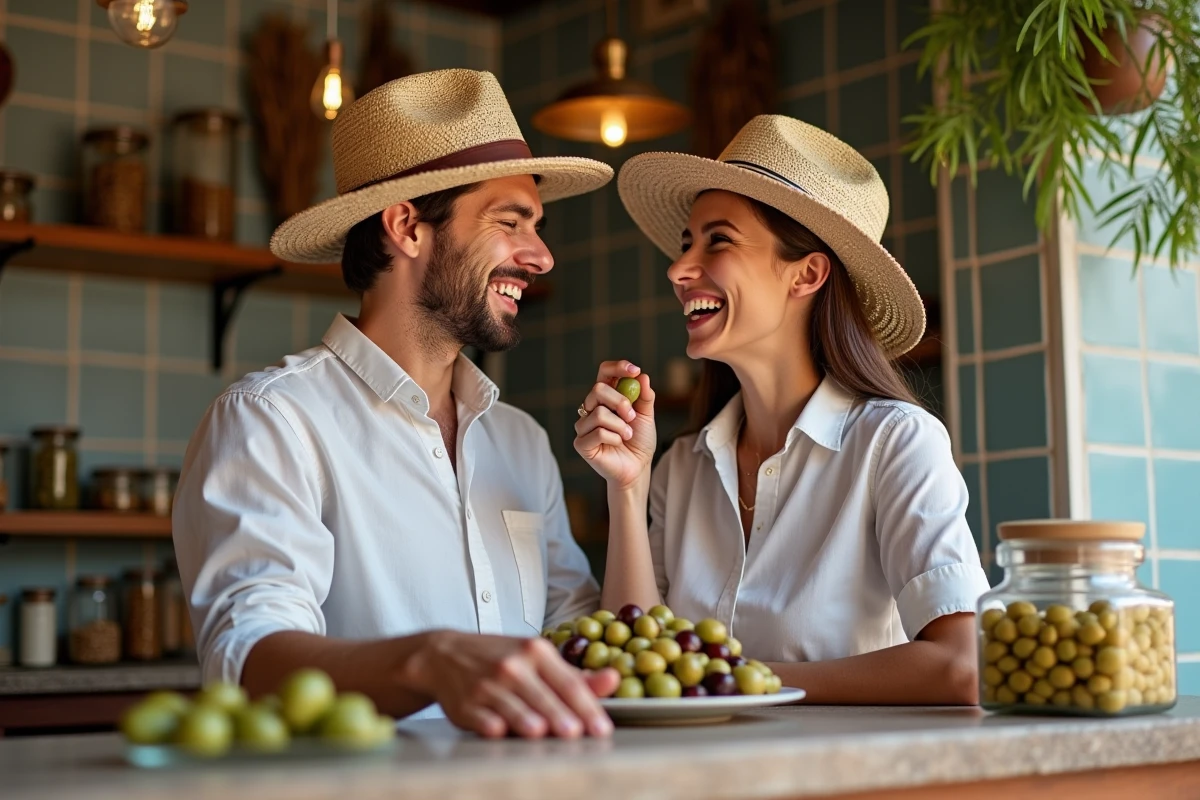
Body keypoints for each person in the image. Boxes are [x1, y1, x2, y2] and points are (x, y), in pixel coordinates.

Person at [173, 70, 620, 739]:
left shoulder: (521, 440)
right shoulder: (273, 420)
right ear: (408, 227)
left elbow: (579, 637)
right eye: (510, 223)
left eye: (538, 227)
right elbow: (249, 655)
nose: (543, 257)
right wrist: (426, 662)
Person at [574, 115, 990, 704]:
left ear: (808, 274)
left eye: (718, 240)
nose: (677, 269)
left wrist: (737, 680)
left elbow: (963, 665)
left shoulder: (896, 443)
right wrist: (628, 486)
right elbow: (628, 662)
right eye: (686, 242)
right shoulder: (680, 469)